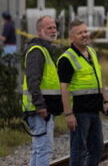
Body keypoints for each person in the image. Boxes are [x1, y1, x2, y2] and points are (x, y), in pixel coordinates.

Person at [58, 19, 108, 166]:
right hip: (79, 112)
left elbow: (99, 80)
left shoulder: (92, 52)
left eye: (85, 31)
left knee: (97, 148)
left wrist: (106, 101)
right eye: (80, 33)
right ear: (72, 37)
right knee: (79, 151)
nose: (85, 35)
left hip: (94, 110)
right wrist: (68, 114)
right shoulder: (67, 58)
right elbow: (63, 88)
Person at [22, 15, 63, 166]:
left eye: (54, 27)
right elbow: (33, 81)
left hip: (43, 109)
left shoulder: (46, 51)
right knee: (44, 149)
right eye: (49, 28)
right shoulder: (37, 51)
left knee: (38, 149)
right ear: (39, 31)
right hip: (39, 110)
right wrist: (40, 105)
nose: (53, 31)